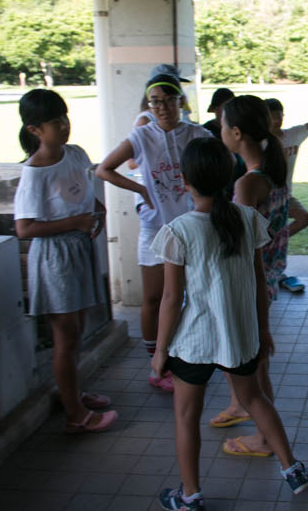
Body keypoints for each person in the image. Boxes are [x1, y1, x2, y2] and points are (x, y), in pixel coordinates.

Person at [150, 138, 308, 509]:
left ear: (184, 180)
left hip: (193, 342)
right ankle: (293, 469)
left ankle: (190, 495)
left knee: (186, 416)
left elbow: (172, 300)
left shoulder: (178, 231)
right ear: (229, 175)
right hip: (239, 337)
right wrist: (263, 330)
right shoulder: (248, 219)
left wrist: (160, 351)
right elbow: (258, 282)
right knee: (254, 398)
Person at [96, 74, 214, 393]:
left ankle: (187, 354)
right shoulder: (141, 135)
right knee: (153, 297)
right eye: (155, 102)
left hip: (192, 226)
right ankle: (156, 364)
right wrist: (140, 189)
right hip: (155, 228)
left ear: (181, 101)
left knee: (191, 295)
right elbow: (103, 169)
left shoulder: (196, 134)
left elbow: (221, 163)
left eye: (168, 100)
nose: (162, 107)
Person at [13, 89, 118, 433]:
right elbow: (25, 228)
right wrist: (75, 222)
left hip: (79, 250)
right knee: (66, 335)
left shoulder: (75, 154)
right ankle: (75, 416)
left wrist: (95, 212)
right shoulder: (34, 173)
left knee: (78, 332)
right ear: (34, 130)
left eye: (64, 117)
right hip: (55, 258)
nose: (63, 125)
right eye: (54, 121)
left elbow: (84, 194)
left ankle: (71, 393)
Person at [208, 95, 289, 453]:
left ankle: (263, 439)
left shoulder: (247, 184)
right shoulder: (273, 172)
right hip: (268, 279)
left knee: (254, 372)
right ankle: (264, 435)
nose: (220, 131)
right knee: (259, 368)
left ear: (236, 133)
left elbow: (238, 247)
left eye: (223, 126)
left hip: (248, 285)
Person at [266, 97, 308, 293]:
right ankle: (270, 271)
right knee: (263, 238)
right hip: (265, 199)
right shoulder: (259, 142)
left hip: (286, 195)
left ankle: (277, 241)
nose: (277, 120)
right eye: (272, 117)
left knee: (304, 218)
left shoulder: (293, 134)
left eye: (279, 116)